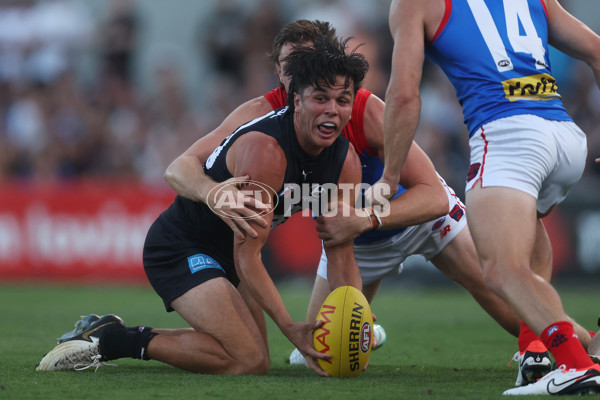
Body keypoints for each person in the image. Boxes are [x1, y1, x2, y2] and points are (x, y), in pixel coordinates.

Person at [36, 38, 369, 376]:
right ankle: (111, 343)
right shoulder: (266, 150)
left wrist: (352, 323)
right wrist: (289, 326)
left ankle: (109, 330)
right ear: (297, 100)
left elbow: (340, 253)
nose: (332, 110)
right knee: (246, 360)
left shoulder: (345, 163)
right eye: (320, 98)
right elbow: (247, 257)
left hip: (233, 256)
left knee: (254, 358)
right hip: (182, 247)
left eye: (343, 100)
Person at [377, 0, 600, 395]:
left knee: (500, 268)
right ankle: (541, 348)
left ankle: (575, 365)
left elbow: (405, 96)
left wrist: (390, 176)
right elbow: (596, 50)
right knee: (528, 231)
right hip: (565, 139)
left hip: (508, 137)